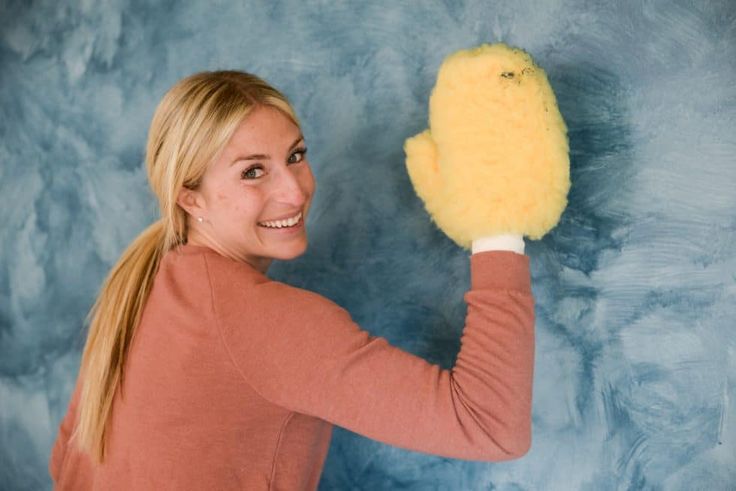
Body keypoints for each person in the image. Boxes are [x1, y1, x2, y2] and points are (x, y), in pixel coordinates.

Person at [48, 70, 535, 490]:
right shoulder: (265, 320)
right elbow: (490, 425)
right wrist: (496, 222)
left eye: (296, 156)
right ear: (190, 198)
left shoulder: (141, 283)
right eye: (253, 171)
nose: (295, 190)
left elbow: (66, 464)